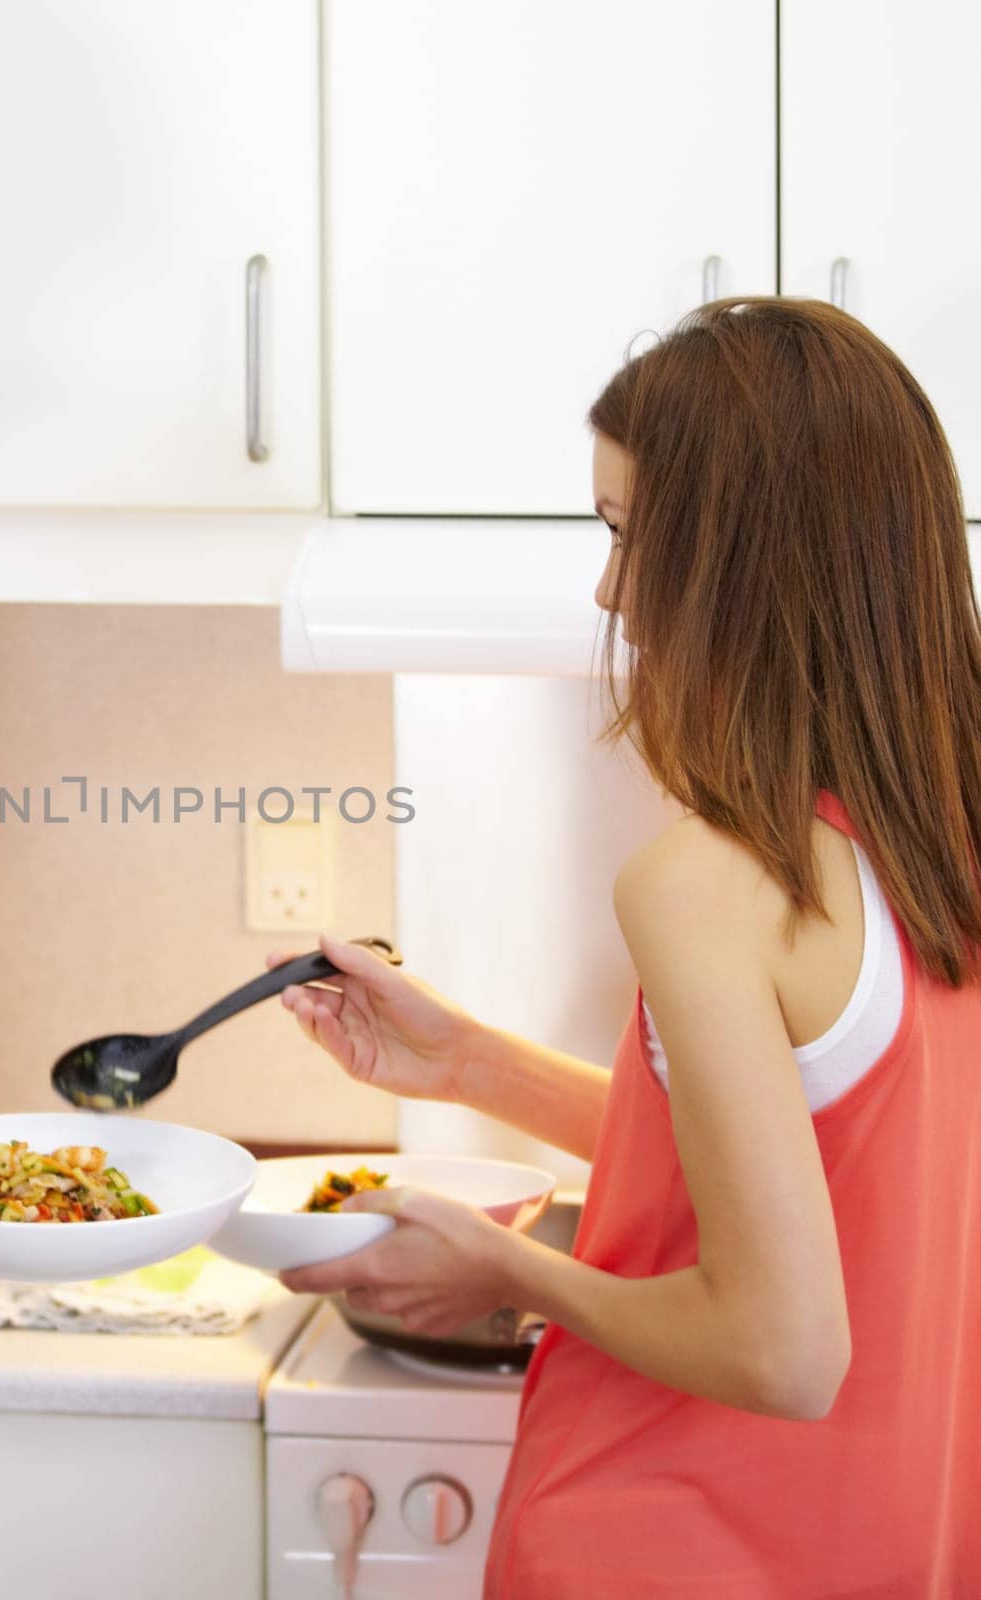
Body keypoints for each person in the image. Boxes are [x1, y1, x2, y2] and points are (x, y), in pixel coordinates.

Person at [275, 298, 981, 1598]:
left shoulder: (710, 884)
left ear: (745, 557)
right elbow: (793, 1188)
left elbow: (783, 1347)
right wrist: (472, 1064)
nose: (610, 586)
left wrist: (509, 1269)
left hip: (672, 1542)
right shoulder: (939, 846)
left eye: (627, 534)